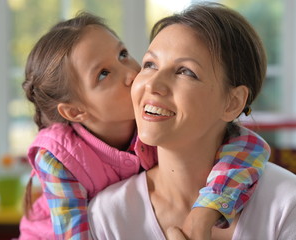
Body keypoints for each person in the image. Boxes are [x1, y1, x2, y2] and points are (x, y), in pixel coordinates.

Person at [19, 11, 270, 240]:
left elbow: (248, 146)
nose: (132, 75)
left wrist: (206, 211)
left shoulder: (150, 123)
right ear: (75, 111)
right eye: (104, 74)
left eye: (123, 55)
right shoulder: (57, 158)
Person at [88, 2, 296, 240]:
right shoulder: (107, 216)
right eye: (150, 65)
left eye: (185, 71)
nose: (153, 85)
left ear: (233, 103)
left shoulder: (286, 205)